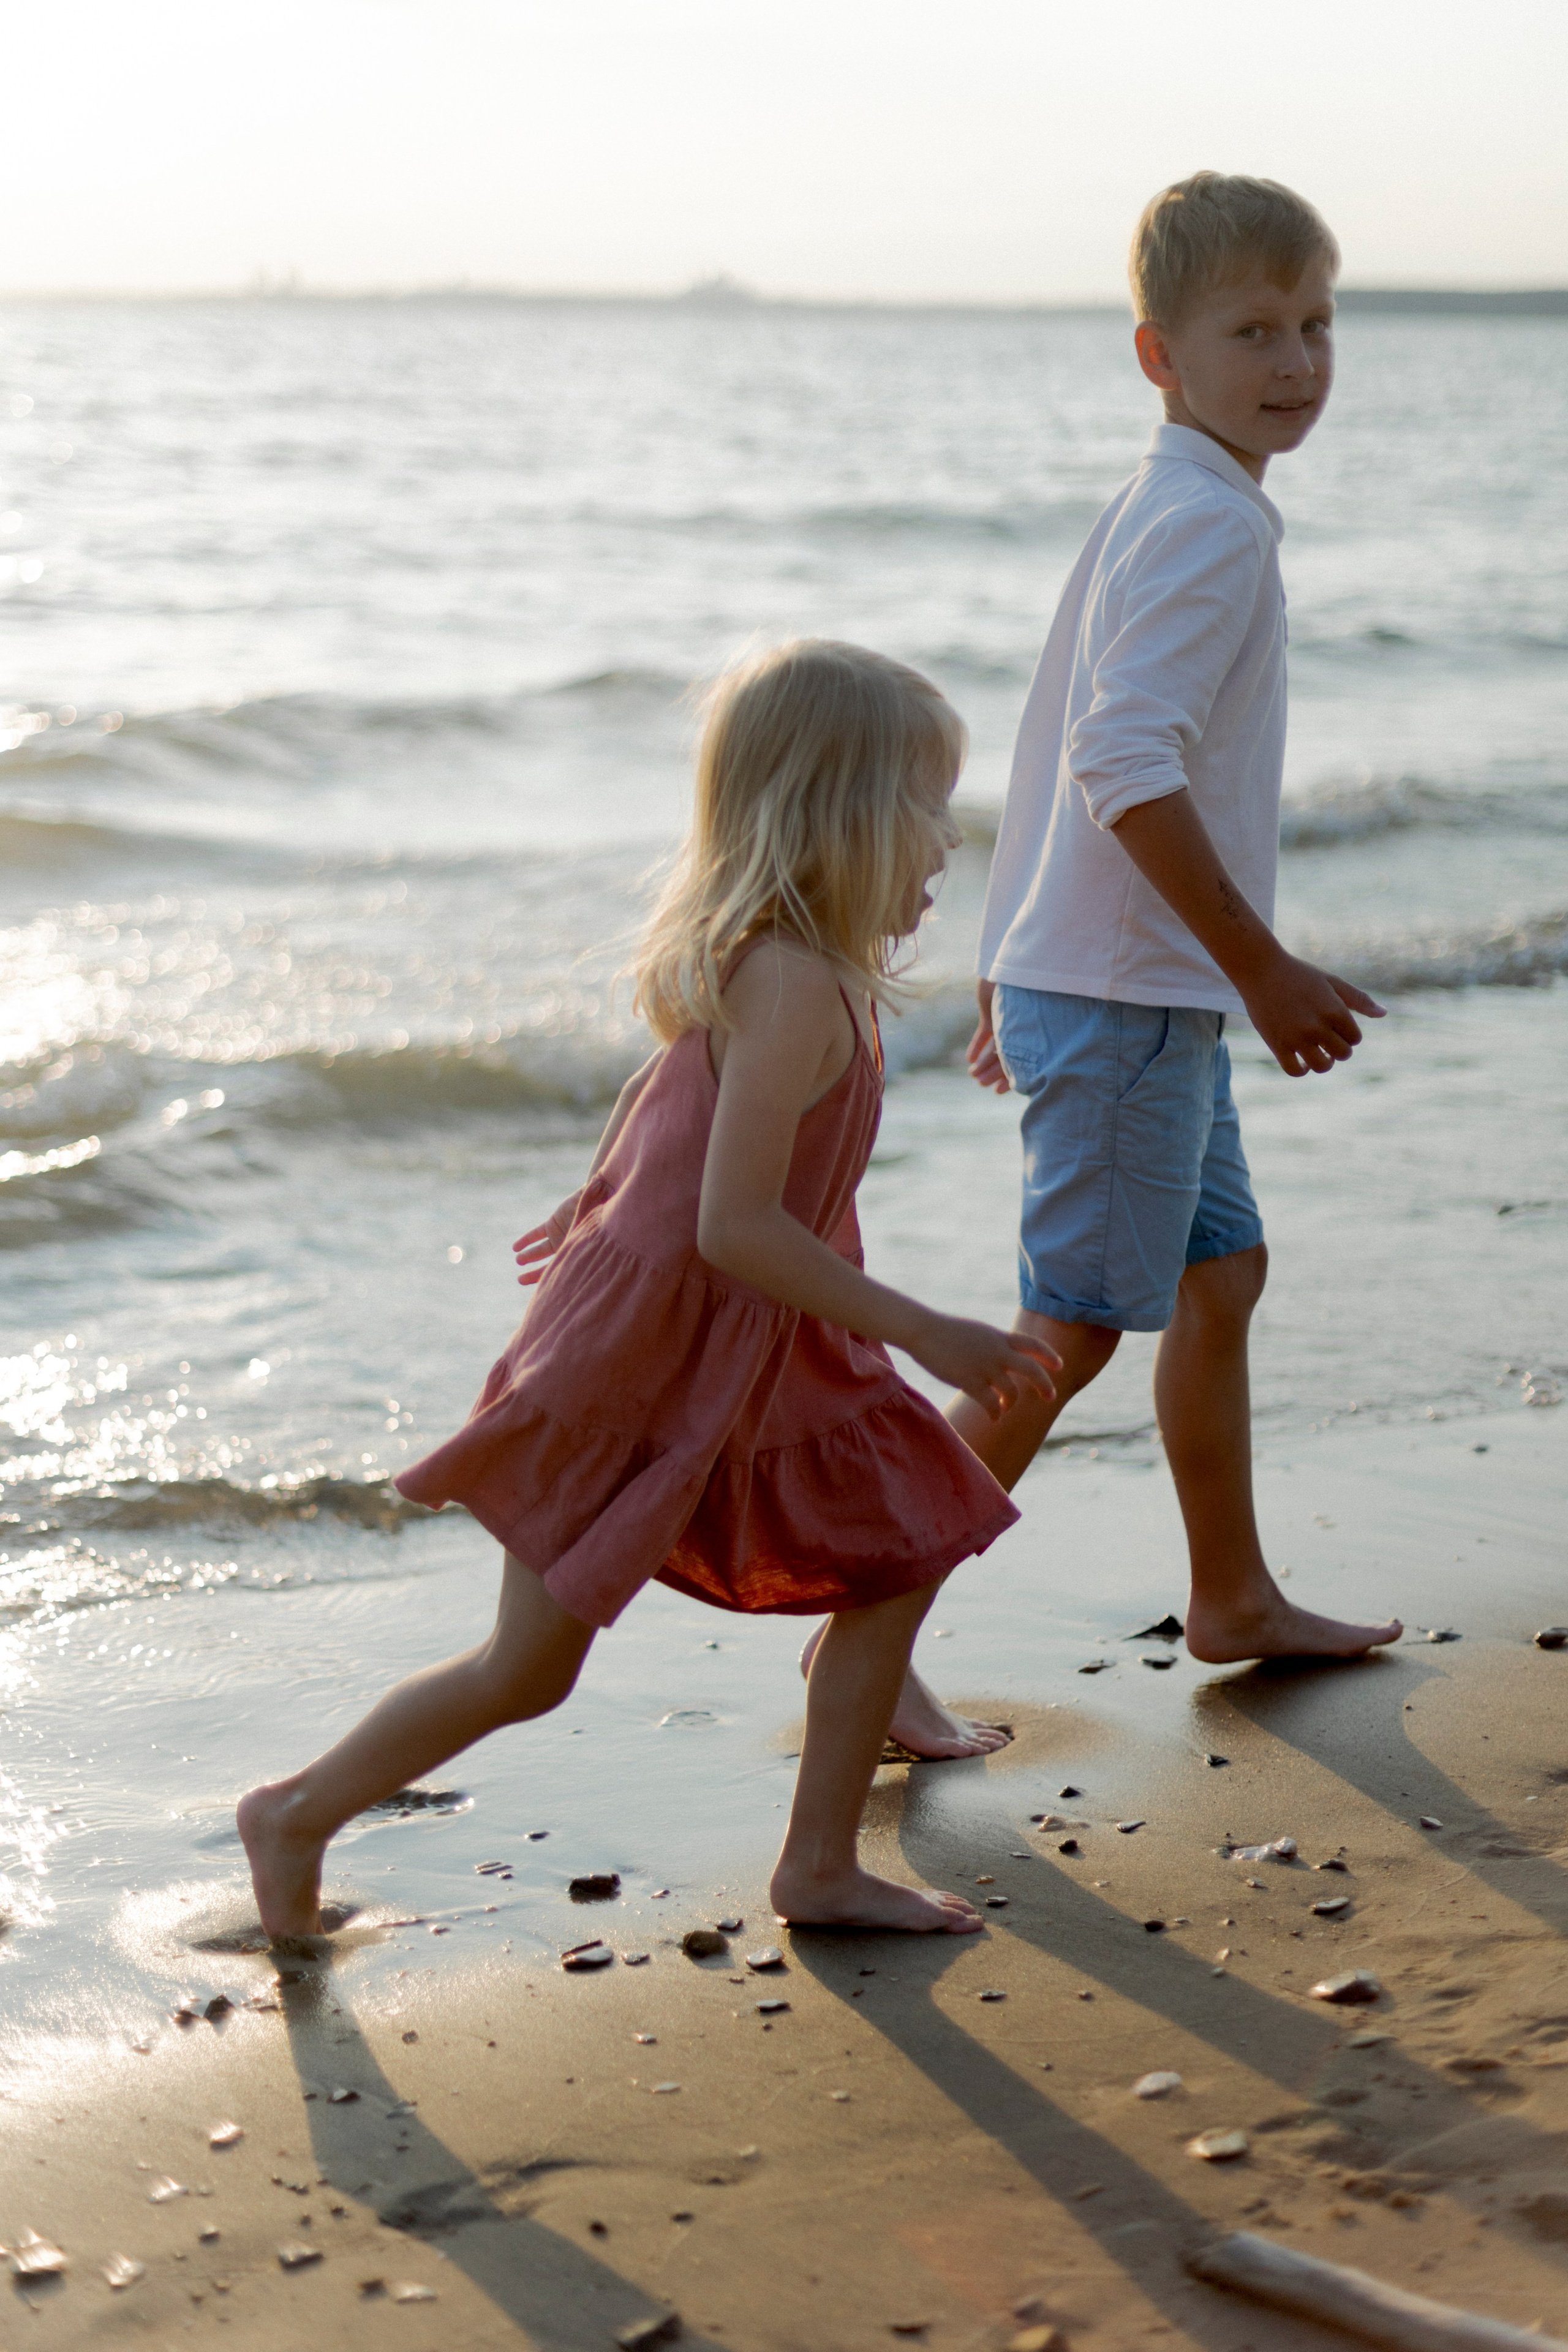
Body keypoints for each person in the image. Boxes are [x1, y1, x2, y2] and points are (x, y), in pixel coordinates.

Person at [237, 640, 1057, 1943]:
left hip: (756, 1348)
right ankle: (293, 1812)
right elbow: (734, 1225)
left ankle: (818, 1864)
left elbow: (662, 1091)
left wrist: (605, 1195)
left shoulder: (794, 966)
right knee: (525, 1671)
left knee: (904, 1547)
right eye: (923, 809)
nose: (945, 844)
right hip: (654, 1356)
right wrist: (929, 1331)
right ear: (833, 812)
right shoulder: (788, 979)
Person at [863, 173, 1402, 1752]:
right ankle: (867, 1628)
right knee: (1068, 1333)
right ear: (1158, 353)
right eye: (1250, 330)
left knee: (1216, 1276)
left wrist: (1000, 954)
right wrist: (1261, 969)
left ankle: (1227, 1596)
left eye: (1313, 324)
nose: (1293, 359)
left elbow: (1048, 739)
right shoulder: (1200, 525)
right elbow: (1116, 759)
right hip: (1130, 996)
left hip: (1111, 982)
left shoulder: (1178, 499)